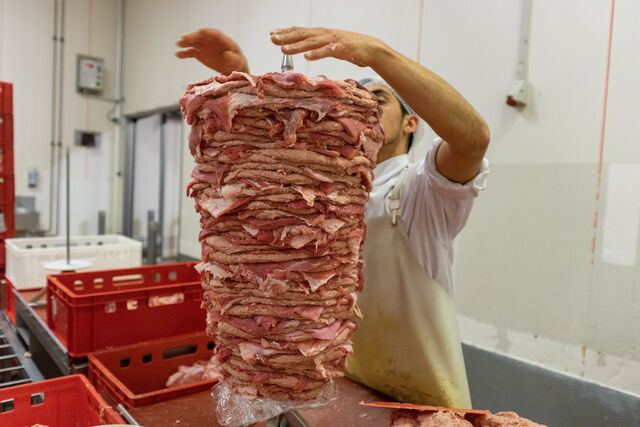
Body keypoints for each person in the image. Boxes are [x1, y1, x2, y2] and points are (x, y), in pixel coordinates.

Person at [176, 26, 490, 408]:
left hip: (425, 402)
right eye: (361, 100)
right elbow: (262, 181)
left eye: (380, 100)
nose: (369, 109)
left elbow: (473, 140)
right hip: (341, 391)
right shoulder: (328, 193)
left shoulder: (422, 191)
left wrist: (378, 54)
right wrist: (241, 77)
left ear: (410, 123)